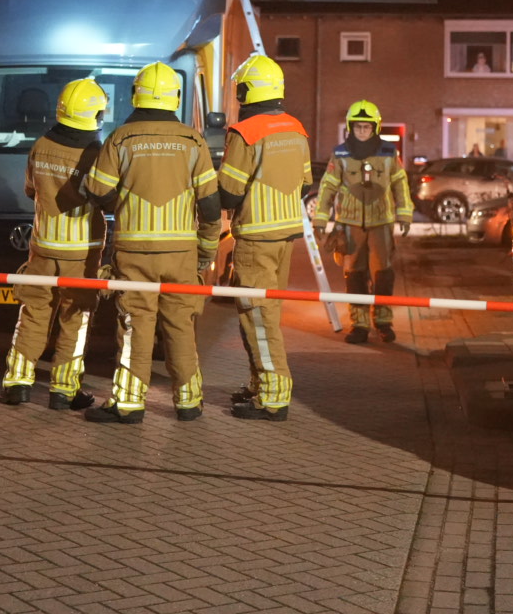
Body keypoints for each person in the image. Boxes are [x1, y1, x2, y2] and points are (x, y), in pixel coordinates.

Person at [82, 61, 221, 424]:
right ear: (175, 97)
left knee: (134, 326)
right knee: (180, 326)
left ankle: (128, 403)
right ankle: (189, 402)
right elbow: (210, 206)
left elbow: (97, 190)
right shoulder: (193, 141)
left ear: (135, 95)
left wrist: (123, 203)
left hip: (135, 252)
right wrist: (205, 254)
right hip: (181, 254)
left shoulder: (120, 138)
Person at [0, 79, 108, 410]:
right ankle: (64, 390)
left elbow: (31, 190)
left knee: (33, 314)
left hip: (43, 247)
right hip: (82, 252)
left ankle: (16, 383)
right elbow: (106, 196)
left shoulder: (41, 144)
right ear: (96, 113)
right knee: (75, 318)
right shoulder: (96, 152)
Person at [216, 54, 312, 421]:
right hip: (285, 236)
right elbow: (306, 181)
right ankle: (260, 384)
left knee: (257, 317)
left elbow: (229, 193)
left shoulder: (246, 132)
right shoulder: (296, 128)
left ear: (247, 90)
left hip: (255, 238)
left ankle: (272, 395)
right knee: (266, 315)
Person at [313, 100, 413, 345]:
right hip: (350, 224)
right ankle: (359, 325)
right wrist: (320, 218)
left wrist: (405, 213)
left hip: (381, 223)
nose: (362, 131)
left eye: (366, 127)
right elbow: (328, 185)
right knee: (354, 275)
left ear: (375, 128)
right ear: (350, 127)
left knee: (383, 275)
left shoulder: (389, 153)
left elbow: (400, 182)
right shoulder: (340, 154)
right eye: (358, 127)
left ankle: (383, 322)